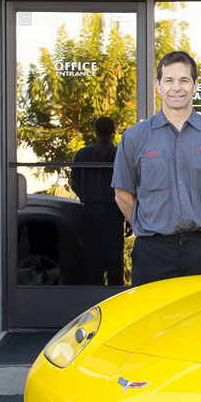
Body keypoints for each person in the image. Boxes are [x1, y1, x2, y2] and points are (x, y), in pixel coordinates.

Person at [112, 51, 201, 284]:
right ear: (157, 85)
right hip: (152, 251)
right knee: (152, 320)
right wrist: (144, 227)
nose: (176, 88)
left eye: (184, 80)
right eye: (169, 80)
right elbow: (122, 193)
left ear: (195, 85)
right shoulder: (134, 137)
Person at [70, 116, 123, 285]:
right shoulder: (118, 155)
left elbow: (74, 183)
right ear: (114, 131)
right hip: (113, 212)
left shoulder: (83, 154)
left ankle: (94, 296)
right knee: (115, 261)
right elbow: (127, 186)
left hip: (89, 210)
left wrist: (85, 195)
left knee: (93, 259)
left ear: (96, 131)